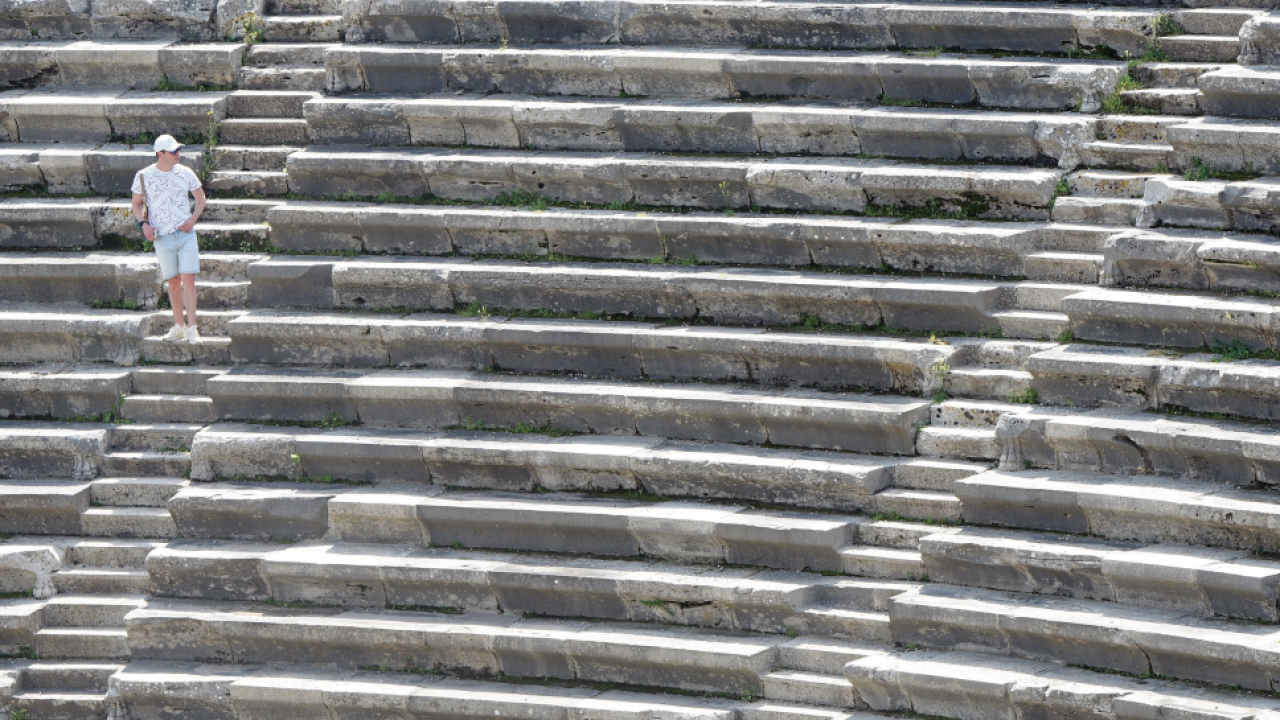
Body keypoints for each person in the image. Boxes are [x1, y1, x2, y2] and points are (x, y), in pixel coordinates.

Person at [131, 134, 207, 344]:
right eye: (173, 151)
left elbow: (201, 198)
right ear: (160, 153)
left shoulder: (186, 172)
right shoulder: (143, 176)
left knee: (188, 280)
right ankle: (179, 326)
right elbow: (136, 203)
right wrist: (144, 225)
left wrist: (193, 219)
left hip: (185, 234)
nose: (177, 154)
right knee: (173, 282)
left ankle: (192, 328)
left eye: (178, 150)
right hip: (162, 236)